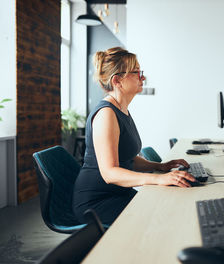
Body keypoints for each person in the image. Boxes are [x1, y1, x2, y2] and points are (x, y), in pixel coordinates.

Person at [73, 47, 196, 225]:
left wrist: (160, 166)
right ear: (117, 80)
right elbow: (110, 173)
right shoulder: (106, 114)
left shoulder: (121, 110)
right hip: (97, 203)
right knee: (161, 217)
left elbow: (127, 158)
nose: (143, 77)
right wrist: (158, 179)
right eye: (137, 72)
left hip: (118, 193)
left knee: (166, 207)